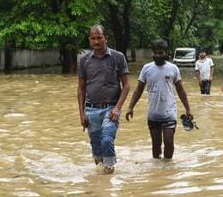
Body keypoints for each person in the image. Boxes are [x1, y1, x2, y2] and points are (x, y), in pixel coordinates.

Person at [125, 38, 193, 160]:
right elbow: (138, 90)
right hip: (153, 114)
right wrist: (130, 107)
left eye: (160, 53)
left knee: (169, 144)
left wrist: (188, 109)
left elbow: (181, 90)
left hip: (169, 113)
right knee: (156, 146)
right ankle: (157, 172)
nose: (157, 55)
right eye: (155, 53)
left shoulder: (173, 68)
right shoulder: (146, 68)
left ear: (166, 53)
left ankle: (168, 170)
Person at [77, 24, 131, 174]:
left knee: (107, 139)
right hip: (91, 110)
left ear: (105, 38)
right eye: (93, 38)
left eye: (99, 38)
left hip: (111, 108)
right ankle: (101, 182)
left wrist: (118, 108)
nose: (96, 42)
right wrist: (81, 113)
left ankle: (109, 174)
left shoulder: (118, 57)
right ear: (89, 40)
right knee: (96, 147)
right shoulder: (84, 60)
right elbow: (81, 88)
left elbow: (126, 85)